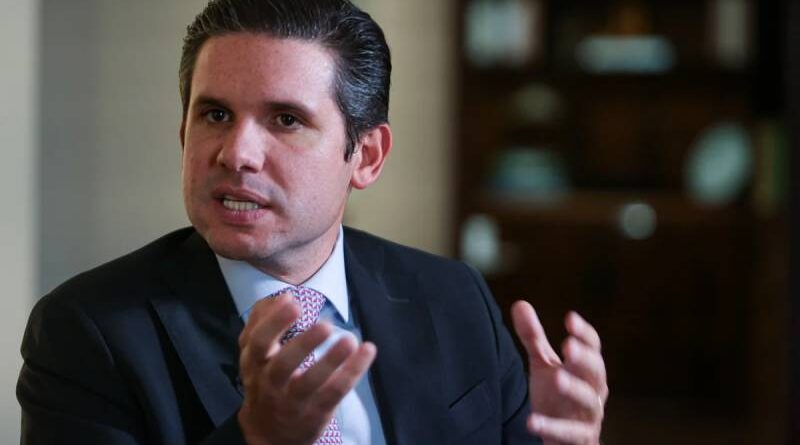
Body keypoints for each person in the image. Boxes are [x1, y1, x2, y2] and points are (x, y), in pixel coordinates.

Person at [17, 0, 608, 444]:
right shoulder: (88, 332)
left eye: (285, 120)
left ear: (366, 156)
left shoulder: (454, 298)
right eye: (215, 115)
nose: (236, 154)